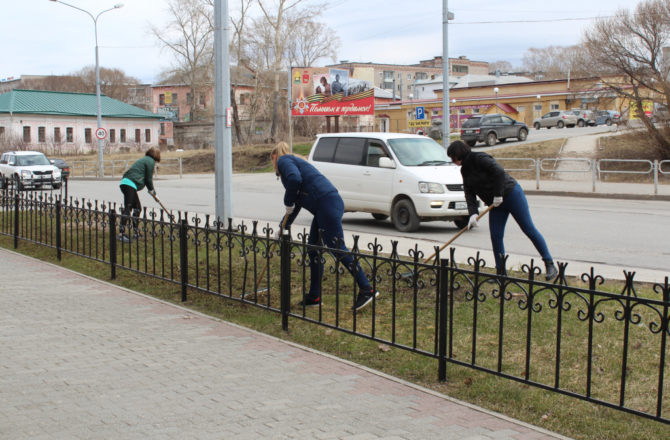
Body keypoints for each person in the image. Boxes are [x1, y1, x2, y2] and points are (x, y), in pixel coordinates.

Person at [271, 141, 379, 311]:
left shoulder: (284, 161)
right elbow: (296, 204)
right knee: (314, 249)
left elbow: (294, 180)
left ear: (274, 157)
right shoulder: (294, 163)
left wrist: (287, 201)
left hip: (327, 204)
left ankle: (367, 289)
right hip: (325, 205)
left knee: (337, 247)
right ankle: (315, 296)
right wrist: (283, 228)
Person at [446, 140, 558, 281]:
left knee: (528, 229)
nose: (452, 161)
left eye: (452, 157)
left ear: (457, 154)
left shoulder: (480, 158)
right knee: (496, 236)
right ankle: (501, 273)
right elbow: (469, 193)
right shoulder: (465, 170)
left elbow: (499, 172)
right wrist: (473, 213)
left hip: (511, 195)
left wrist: (498, 194)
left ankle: (549, 264)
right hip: (496, 204)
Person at [118, 147, 161, 242]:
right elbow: (148, 179)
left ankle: (136, 232)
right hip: (129, 184)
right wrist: (153, 192)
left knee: (137, 208)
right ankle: (121, 234)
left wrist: (152, 192)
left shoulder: (144, 160)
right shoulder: (150, 161)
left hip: (126, 183)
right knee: (128, 208)